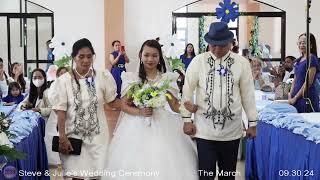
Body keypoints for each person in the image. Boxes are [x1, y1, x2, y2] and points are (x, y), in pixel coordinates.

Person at [105, 39, 198, 180]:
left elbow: (174, 105)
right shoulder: (133, 79)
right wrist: (139, 112)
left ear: (160, 57)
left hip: (163, 123)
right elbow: (123, 105)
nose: (150, 59)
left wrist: (187, 108)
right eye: (147, 55)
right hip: (136, 126)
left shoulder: (166, 79)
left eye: (154, 55)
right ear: (140, 55)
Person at [180, 22, 257, 180]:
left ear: (230, 43)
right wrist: (186, 119)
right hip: (204, 130)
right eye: (212, 45)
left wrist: (253, 123)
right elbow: (187, 90)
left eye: (221, 46)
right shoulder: (198, 61)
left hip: (232, 131)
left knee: (227, 175)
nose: (216, 50)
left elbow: (248, 95)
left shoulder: (241, 63)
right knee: (206, 175)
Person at [51, 38, 118, 179]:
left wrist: (133, 105)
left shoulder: (102, 76)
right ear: (74, 58)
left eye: (89, 56)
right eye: (81, 56)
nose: (86, 60)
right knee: (77, 176)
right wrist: (62, 138)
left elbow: (112, 102)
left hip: (98, 138)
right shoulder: (63, 81)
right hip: (73, 137)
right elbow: (61, 112)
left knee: (97, 174)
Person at [289, 33, 319, 113]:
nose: (301, 45)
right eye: (300, 43)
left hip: (306, 98)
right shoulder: (299, 60)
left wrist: (295, 97)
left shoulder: (312, 59)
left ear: (311, 45)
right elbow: (294, 80)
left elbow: (308, 83)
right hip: (295, 98)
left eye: (304, 43)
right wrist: (290, 95)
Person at [45, 66, 69, 166]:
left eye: (65, 73)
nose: (63, 75)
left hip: (68, 116)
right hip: (56, 115)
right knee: (52, 136)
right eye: (60, 74)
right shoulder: (53, 87)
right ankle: (55, 160)